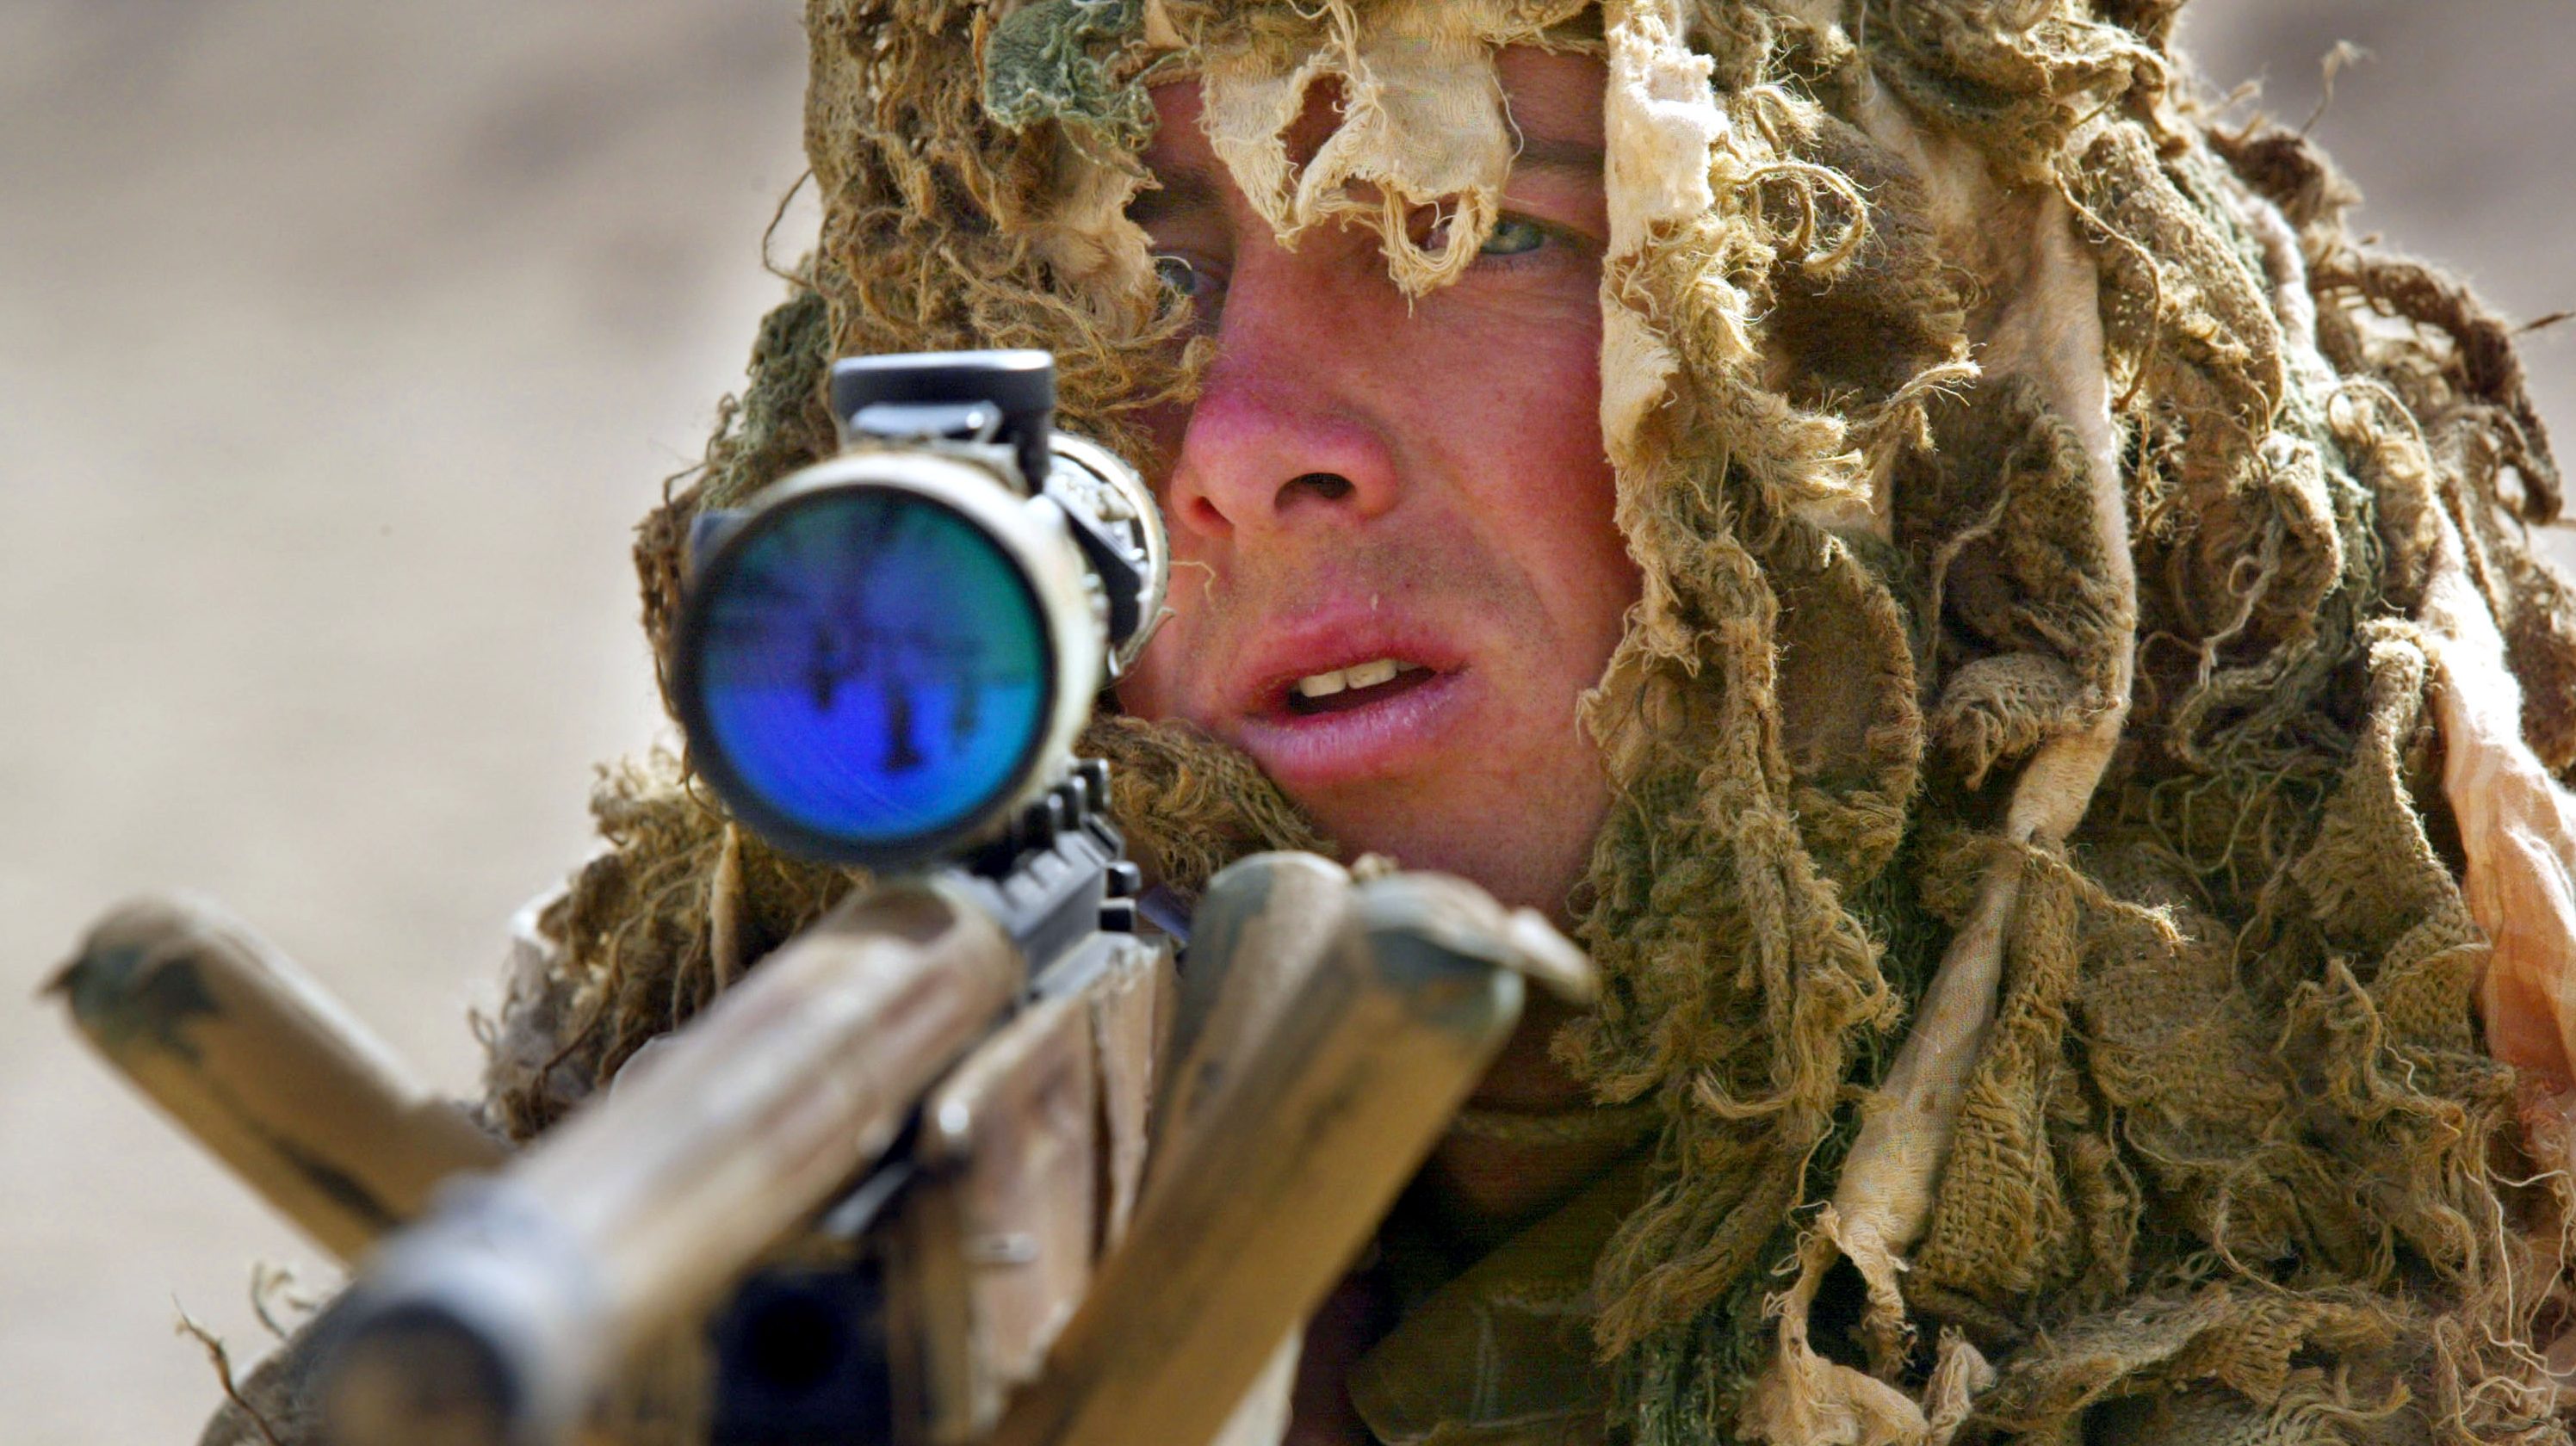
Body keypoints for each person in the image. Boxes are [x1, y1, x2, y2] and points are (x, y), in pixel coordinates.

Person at [212, 2, 2576, 1443]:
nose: (1235, 440)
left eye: (1475, 231)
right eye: (1130, 274)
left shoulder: (2391, 1134)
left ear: (1860, 352)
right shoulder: (786, 1068)